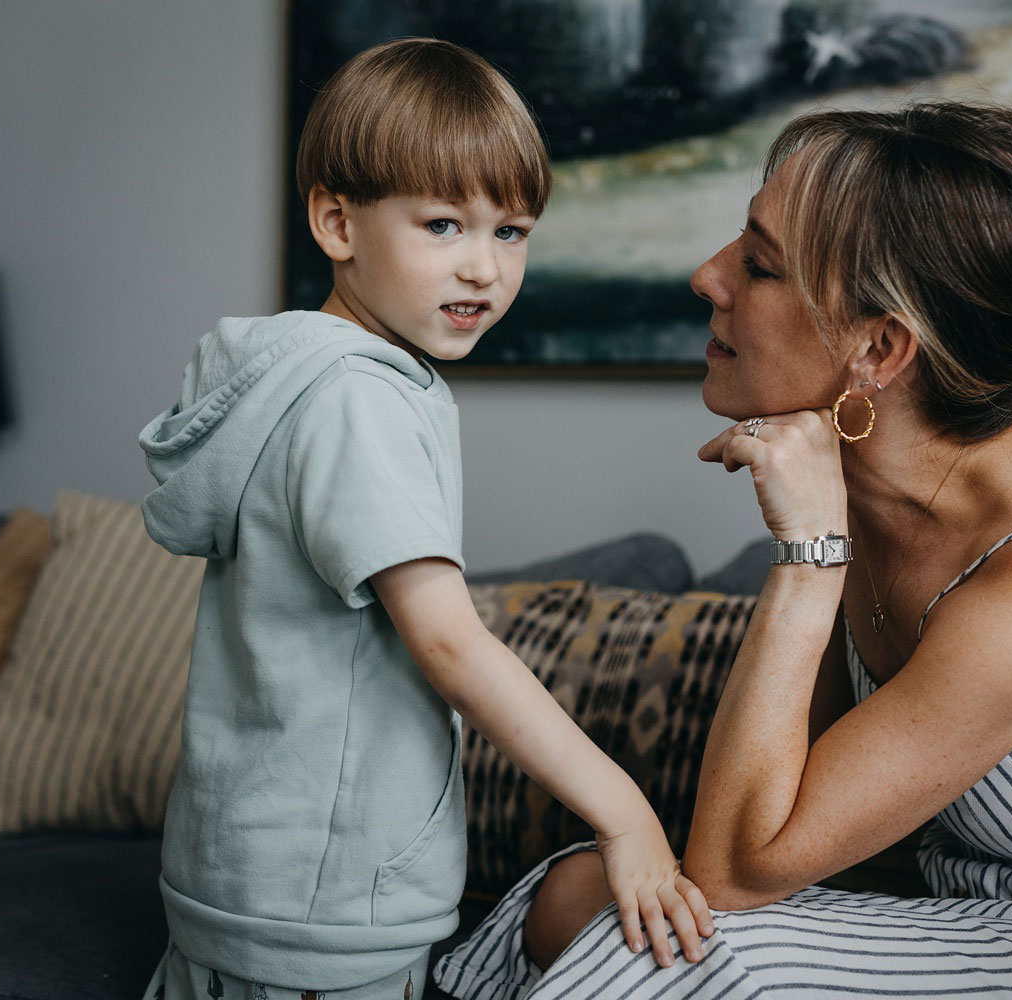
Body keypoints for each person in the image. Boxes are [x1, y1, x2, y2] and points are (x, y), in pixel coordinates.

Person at [433, 101, 1012, 999]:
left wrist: (807, 555)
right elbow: (782, 814)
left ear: (879, 347)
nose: (706, 277)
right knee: (577, 898)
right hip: (994, 911)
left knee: (670, 950)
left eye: (758, 266)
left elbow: (735, 870)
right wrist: (827, 541)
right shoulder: (881, 487)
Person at [136, 38, 712, 1000]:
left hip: (242, 868)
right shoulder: (361, 399)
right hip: (325, 902)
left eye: (512, 230)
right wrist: (624, 813)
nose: (484, 267)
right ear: (336, 222)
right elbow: (447, 643)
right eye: (443, 224)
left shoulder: (294, 382)